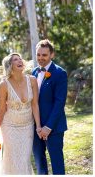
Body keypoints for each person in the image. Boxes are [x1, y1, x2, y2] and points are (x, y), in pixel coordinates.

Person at [0, 53, 41, 174]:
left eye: (20, 58)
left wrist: (38, 126)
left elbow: (35, 104)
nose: (20, 61)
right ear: (10, 65)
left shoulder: (32, 80)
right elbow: (1, 110)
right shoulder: (4, 85)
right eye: (15, 60)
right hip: (9, 126)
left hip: (27, 127)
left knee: (24, 159)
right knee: (12, 160)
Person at [32, 39, 68, 174]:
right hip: (36, 128)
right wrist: (38, 126)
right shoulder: (34, 73)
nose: (41, 58)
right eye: (38, 54)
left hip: (54, 128)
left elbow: (59, 103)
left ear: (52, 55)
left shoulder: (60, 73)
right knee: (40, 164)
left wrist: (48, 127)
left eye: (44, 55)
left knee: (57, 164)